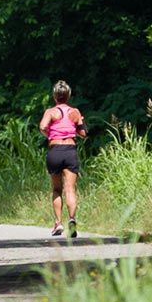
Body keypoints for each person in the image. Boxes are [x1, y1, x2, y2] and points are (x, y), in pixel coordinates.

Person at [39, 80, 87, 238]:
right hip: (70, 151)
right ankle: (72, 220)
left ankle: (58, 223)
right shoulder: (75, 112)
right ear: (68, 95)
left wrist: (50, 135)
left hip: (55, 151)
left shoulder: (50, 112)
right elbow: (83, 133)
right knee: (70, 189)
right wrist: (82, 121)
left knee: (56, 189)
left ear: (54, 96)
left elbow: (42, 127)